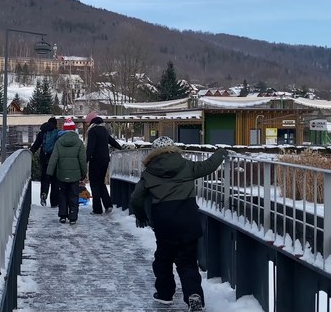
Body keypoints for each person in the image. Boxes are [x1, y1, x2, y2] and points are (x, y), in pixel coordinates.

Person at [129, 136, 228, 312]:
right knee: (187, 261)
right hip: (188, 220)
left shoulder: (149, 172)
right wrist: (220, 153)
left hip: (164, 222)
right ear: (174, 149)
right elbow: (208, 166)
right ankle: (193, 295)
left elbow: (136, 197)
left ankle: (165, 295)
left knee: (163, 259)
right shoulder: (187, 166)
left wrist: (141, 215)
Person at [46, 117, 87, 225]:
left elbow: (54, 158)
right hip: (75, 175)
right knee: (74, 195)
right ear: (74, 130)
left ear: (64, 130)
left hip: (61, 174)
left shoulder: (59, 142)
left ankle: (63, 216)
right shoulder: (79, 142)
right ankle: (73, 217)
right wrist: (84, 173)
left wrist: (49, 172)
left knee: (62, 194)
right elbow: (82, 160)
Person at [85, 113, 122, 215]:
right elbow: (112, 141)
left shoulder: (92, 131)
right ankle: (108, 204)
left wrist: (86, 160)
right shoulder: (104, 131)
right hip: (105, 160)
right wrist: (121, 149)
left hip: (95, 161)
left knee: (94, 184)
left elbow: (90, 148)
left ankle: (97, 209)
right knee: (101, 183)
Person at [30, 117, 60, 207]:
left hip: (45, 159)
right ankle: (54, 202)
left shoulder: (42, 133)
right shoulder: (58, 133)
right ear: (55, 124)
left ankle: (43, 194)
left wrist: (30, 152)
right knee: (55, 181)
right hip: (55, 160)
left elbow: (36, 145)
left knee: (45, 179)